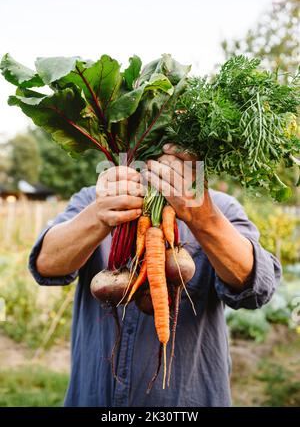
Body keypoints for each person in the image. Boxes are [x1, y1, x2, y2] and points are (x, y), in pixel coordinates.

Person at [29, 143, 281, 407]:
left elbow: (257, 288)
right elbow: (46, 265)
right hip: (94, 397)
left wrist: (204, 220)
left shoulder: (220, 208)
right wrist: (98, 217)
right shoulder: (95, 200)